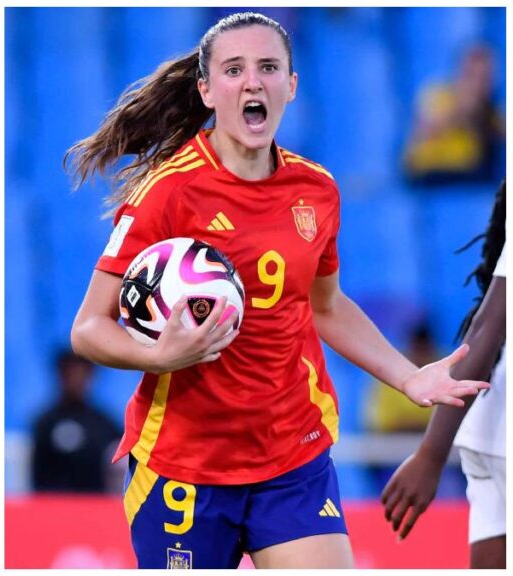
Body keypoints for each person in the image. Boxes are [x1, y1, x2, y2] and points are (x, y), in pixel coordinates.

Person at [65, 12, 489, 569]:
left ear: (291, 84)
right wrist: (158, 354)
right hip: (186, 468)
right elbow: (89, 327)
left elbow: (327, 305)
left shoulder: (316, 191)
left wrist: (408, 376)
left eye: (268, 67)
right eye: (234, 69)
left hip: (293, 456)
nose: (252, 82)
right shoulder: (166, 193)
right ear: (207, 89)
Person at [382, 181, 505, 568]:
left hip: (490, 429)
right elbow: (489, 325)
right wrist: (431, 454)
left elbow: (488, 325)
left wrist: (432, 454)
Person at [403, 45, 504, 186]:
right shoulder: (439, 95)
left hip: (469, 175)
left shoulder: (490, 109)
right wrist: (460, 111)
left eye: (484, 77)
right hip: (431, 172)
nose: (478, 83)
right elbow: (424, 131)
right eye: (472, 75)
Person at [32, 350, 122, 493]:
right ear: (60, 375)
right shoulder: (45, 423)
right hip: (53, 505)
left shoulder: (104, 424)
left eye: (82, 373)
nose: (76, 379)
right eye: (71, 373)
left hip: (98, 506)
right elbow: (37, 478)